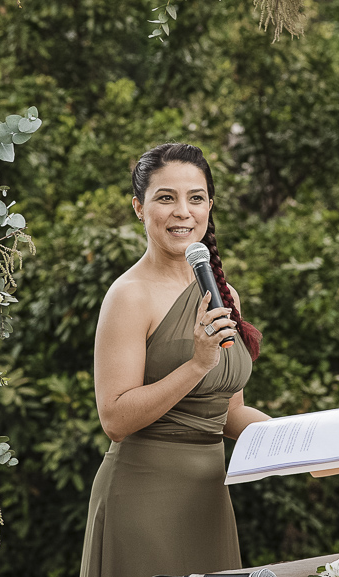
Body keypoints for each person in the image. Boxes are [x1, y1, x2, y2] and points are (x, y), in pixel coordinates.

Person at [80, 142, 268, 577]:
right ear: (138, 208)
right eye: (166, 198)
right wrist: (196, 364)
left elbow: (229, 413)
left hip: (208, 501)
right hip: (144, 502)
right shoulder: (128, 296)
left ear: (209, 206)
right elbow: (115, 419)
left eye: (196, 198)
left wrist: (300, 440)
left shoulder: (224, 294)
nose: (183, 211)